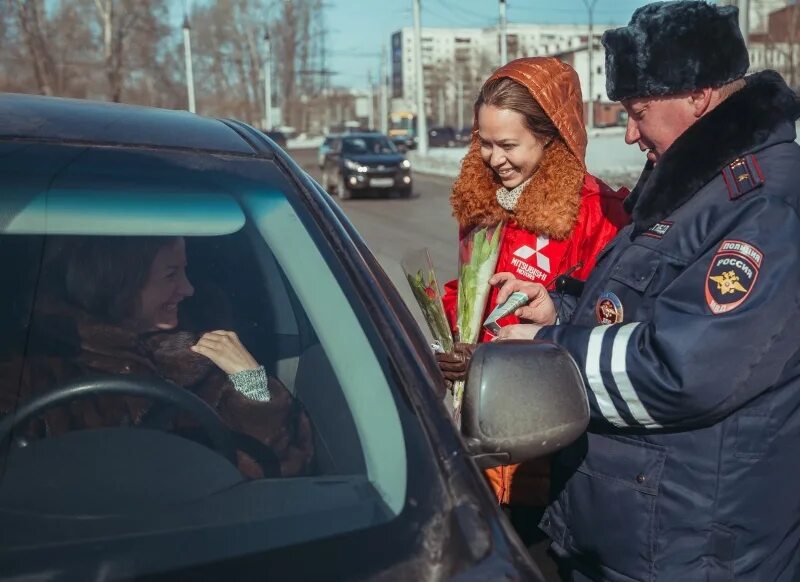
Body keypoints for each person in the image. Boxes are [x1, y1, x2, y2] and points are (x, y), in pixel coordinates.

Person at [494, 2, 800, 580]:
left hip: (689, 552)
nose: (630, 134)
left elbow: (683, 370)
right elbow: (642, 307)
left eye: (638, 112)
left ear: (699, 97)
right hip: (633, 534)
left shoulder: (764, 205)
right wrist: (559, 307)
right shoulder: (695, 185)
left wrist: (547, 348)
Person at [435, 57, 629, 523]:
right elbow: (471, 291)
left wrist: (552, 319)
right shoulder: (482, 201)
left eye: (508, 144)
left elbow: (611, 317)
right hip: (483, 430)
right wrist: (458, 337)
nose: (494, 159)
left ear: (549, 136)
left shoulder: (597, 212)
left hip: (551, 442)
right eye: (484, 143)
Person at [7, 236, 314, 478]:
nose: (189, 289)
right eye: (171, 275)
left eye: (186, 270)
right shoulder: (32, 366)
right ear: (117, 283)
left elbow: (273, 468)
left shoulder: (207, 346)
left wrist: (251, 383)